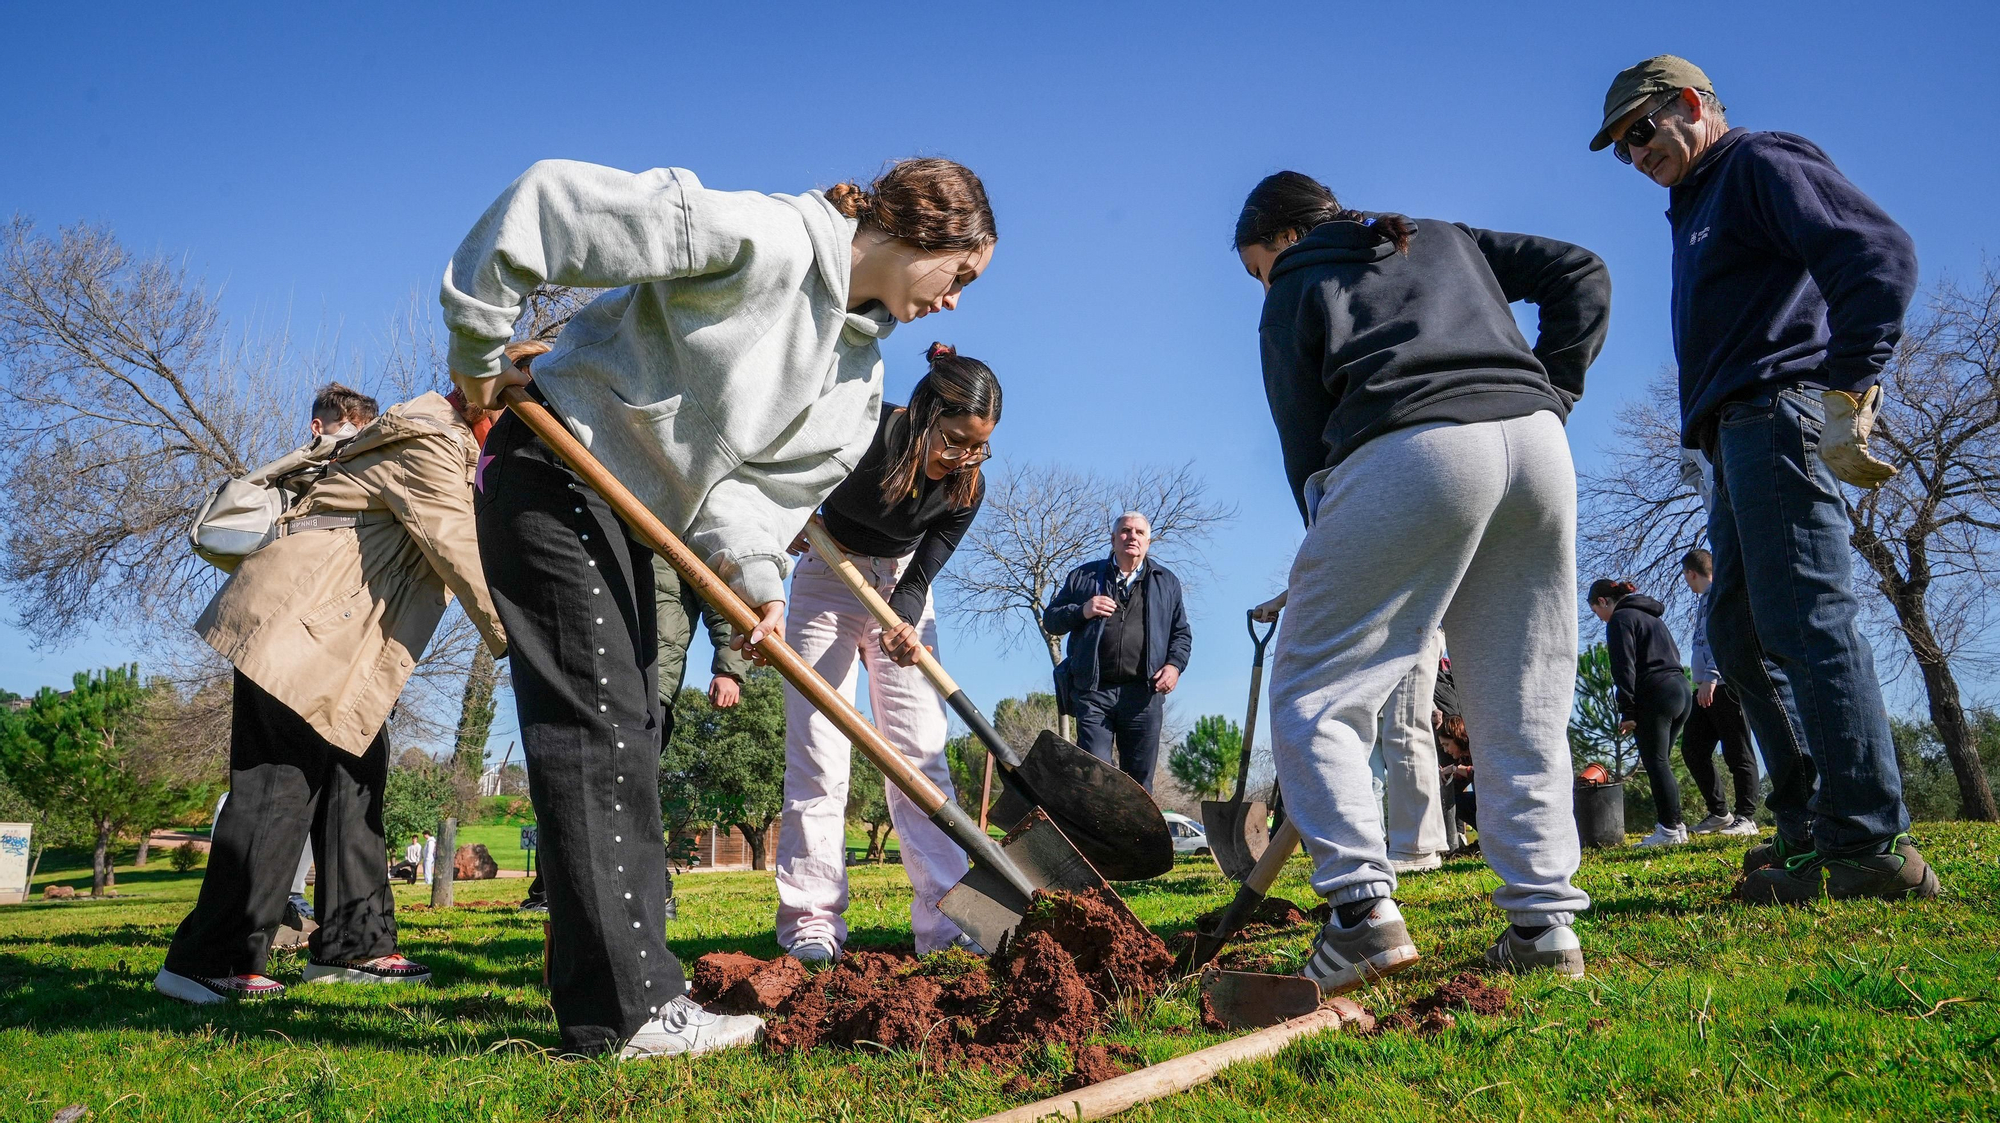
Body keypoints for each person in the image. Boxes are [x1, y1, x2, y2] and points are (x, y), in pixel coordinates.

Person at [445, 156, 996, 1059]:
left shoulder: (856, 385)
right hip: (557, 460)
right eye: (960, 274)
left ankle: (622, 1002)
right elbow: (551, 202)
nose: (956, 300)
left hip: (638, 513)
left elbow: (750, 500)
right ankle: (625, 1011)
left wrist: (760, 588)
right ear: (919, 234)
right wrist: (477, 351)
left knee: (626, 728)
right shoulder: (770, 238)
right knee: (601, 725)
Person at [1234, 170, 1609, 990]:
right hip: (1539, 449)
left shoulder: (1296, 281)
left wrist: (1347, 563)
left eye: (1256, 265)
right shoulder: (1442, 234)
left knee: (1316, 685)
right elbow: (1581, 271)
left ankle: (1360, 914)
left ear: (1284, 240)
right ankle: (1543, 922)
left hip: (1409, 447)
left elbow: (1309, 456)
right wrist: (1554, 394)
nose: (1262, 282)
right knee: (1523, 693)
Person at [1591, 55, 1937, 902]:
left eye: (1642, 130)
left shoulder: (1755, 162)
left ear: (1690, 104)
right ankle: (1811, 819)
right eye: (1622, 150)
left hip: (1779, 412)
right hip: (1732, 434)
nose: (1637, 156)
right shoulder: (1698, 202)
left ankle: (1867, 842)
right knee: (1740, 631)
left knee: (1807, 619)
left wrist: (1848, 386)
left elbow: (1879, 254)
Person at [156, 386, 508, 1005]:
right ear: (487, 400)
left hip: (344, 646)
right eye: (513, 416)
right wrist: (526, 641)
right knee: (277, 790)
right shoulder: (430, 441)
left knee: (356, 788)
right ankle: (207, 961)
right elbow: (462, 551)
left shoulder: (447, 445)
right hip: (300, 630)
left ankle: (354, 946)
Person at [776, 342, 1002, 963]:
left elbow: (925, 566)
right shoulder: (865, 430)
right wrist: (788, 514)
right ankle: (811, 923)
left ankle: (948, 921)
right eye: (953, 440)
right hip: (827, 574)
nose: (963, 456)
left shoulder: (967, 484)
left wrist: (903, 617)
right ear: (923, 415)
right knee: (819, 756)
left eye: (978, 445)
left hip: (900, 583)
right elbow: (787, 466)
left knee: (921, 758)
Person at [1043, 512, 1193, 790]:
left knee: (1139, 784)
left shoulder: (1166, 582)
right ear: (1113, 539)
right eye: (1125, 531)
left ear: (1148, 542)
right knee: (1094, 775)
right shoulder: (1083, 576)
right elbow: (1051, 619)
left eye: (1138, 532)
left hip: (1144, 696)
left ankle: (1134, 835)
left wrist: (1174, 666)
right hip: (1093, 692)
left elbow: (1181, 634)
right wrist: (1083, 610)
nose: (1131, 536)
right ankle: (1093, 834)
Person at [1588, 579, 1693, 847]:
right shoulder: (1651, 617)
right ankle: (1677, 827)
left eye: (1595, 611)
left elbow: (1623, 667)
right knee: (1661, 763)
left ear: (1603, 601)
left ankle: (1669, 830)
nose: (1599, 619)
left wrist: (1628, 710)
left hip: (1655, 691)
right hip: (1680, 688)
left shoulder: (1620, 619)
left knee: (1656, 762)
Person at [1679, 548, 1761, 835]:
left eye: (1686, 577)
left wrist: (1711, 678)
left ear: (1691, 572)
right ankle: (1720, 813)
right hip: (1704, 687)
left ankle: (1747, 818)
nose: (1687, 582)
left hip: (1725, 686)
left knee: (1737, 752)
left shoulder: (1719, 595)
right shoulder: (1704, 600)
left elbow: (1724, 639)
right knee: (1693, 748)